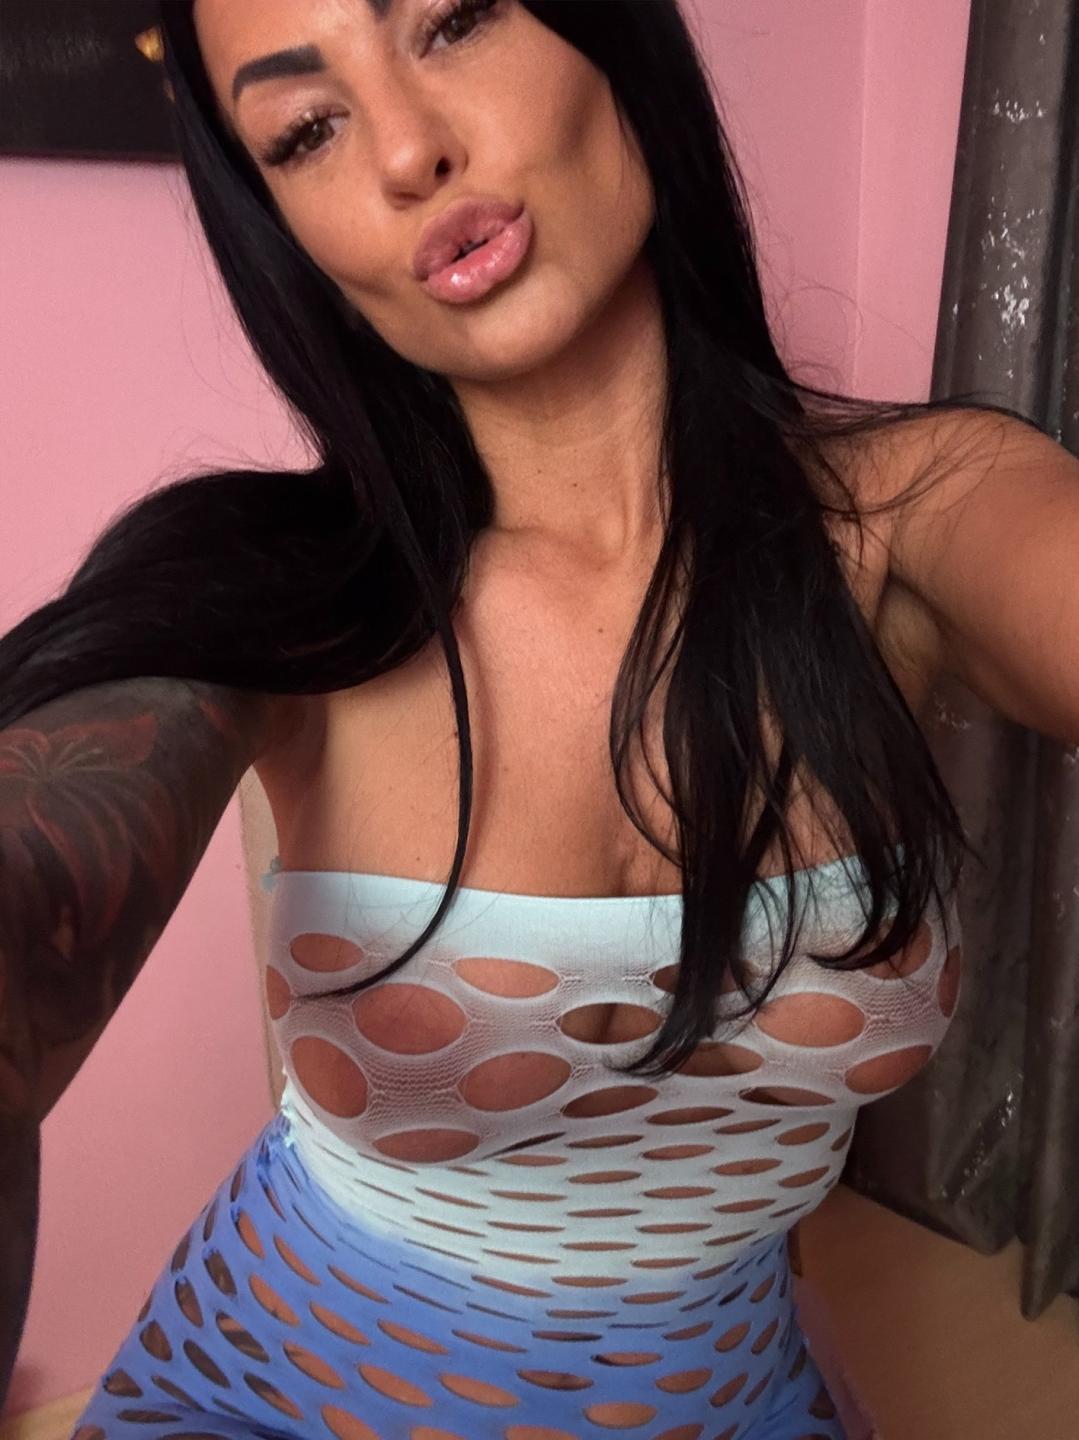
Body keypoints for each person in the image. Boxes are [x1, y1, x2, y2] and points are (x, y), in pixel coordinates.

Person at [2, 1, 1077, 1436]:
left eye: (452, 19)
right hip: (274, 1389)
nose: (405, 152)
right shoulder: (271, 589)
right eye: (305, 130)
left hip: (730, 1392)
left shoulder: (919, 510)